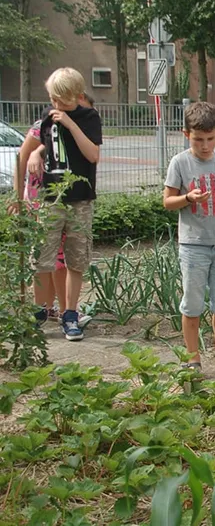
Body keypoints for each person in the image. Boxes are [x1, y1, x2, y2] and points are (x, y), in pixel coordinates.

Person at [163, 102, 215, 374]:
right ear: (186, 134)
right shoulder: (180, 162)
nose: (205, 145)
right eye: (198, 139)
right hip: (193, 245)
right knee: (193, 303)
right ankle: (192, 358)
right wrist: (188, 198)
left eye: (210, 139)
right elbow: (167, 202)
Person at [28, 69, 102, 341]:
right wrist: (37, 151)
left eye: (60, 100)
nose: (55, 105)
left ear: (76, 96)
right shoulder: (48, 118)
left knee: (76, 259)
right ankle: (38, 312)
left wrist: (70, 123)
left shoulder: (89, 118)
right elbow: (52, 146)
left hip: (80, 199)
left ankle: (70, 314)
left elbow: (92, 154)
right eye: (52, 99)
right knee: (41, 258)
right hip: (52, 199)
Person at [11, 93, 96, 328]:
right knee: (45, 257)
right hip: (44, 198)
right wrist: (18, 196)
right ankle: (47, 309)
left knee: (62, 259)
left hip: (70, 198)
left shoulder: (82, 126)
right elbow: (24, 153)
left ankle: (63, 310)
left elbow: (86, 156)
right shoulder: (45, 125)